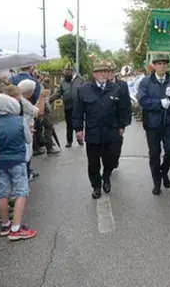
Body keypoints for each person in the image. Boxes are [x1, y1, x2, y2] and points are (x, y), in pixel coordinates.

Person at [72, 60, 128, 199]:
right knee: (93, 162)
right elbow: (78, 112)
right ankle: (96, 186)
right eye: (99, 72)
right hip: (93, 132)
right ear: (94, 74)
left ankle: (107, 177)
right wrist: (78, 129)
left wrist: (122, 126)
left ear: (109, 73)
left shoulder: (116, 88)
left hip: (111, 131)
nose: (102, 74)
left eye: (105, 71)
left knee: (110, 159)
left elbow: (123, 109)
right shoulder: (84, 89)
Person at [0, 94, 37, 241]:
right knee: (21, 192)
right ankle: (17, 228)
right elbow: (28, 139)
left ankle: (5, 225)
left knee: (2, 193)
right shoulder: (19, 121)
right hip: (17, 160)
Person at [136, 56, 170, 195]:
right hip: (153, 124)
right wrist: (159, 103)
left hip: (169, 123)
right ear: (154, 66)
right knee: (154, 155)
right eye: (159, 64)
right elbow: (143, 100)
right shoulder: (146, 82)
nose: (162, 66)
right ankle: (157, 182)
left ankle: (164, 172)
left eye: (164, 64)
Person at [49, 64, 84, 147]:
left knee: (79, 123)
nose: (66, 73)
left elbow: (85, 92)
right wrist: (49, 100)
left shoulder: (81, 80)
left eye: (68, 71)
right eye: (65, 71)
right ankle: (69, 141)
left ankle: (80, 139)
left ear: (73, 71)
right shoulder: (63, 82)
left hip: (78, 106)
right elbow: (58, 93)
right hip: (68, 107)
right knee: (69, 125)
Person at [107, 66, 132, 168]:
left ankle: (115, 159)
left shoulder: (122, 84)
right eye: (108, 71)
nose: (110, 73)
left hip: (119, 120)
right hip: (106, 119)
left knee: (117, 142)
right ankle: (108, 163)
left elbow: (126, 103)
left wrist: (126, 121)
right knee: (106, 144)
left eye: (112, 71)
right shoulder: (102, 84)